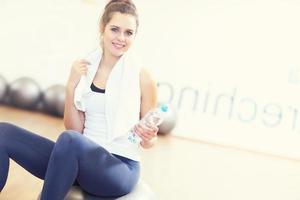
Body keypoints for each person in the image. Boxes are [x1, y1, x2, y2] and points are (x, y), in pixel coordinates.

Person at [0, 0, 159, 199]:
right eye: (115, 29)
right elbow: (74, 130)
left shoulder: (143, 78)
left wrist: (149, 136)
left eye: (129, 32)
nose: (121, 38)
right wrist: (71, 86)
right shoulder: (85, 68)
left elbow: (148, 142)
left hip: (119, 167)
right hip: (79, 157)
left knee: (70, 141)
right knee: (3, 132)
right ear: (103, 28)